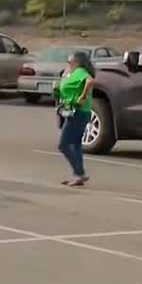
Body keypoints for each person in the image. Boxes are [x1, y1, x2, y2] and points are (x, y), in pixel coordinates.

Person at [56, 50, 95, 187]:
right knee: (76, 144)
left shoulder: (80, 72)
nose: (68, 63)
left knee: (64, 145)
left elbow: (90, 81)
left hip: (78, 112)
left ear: (76, 62)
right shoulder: (72, 72)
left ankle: (80, 173)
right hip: (72, 110)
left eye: (69, 61)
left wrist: (82, 96)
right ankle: (78, 175)